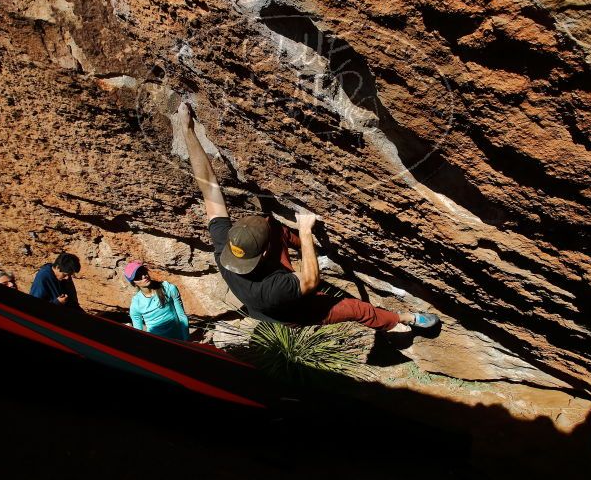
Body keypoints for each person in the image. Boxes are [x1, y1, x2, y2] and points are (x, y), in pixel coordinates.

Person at [176, 101, 439, 331]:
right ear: (265, 253)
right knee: (357, 309)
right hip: (293, 313)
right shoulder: (272, 290)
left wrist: (187, 131)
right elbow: (311, 281)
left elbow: (208, 186)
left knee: (272, 225)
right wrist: (305, 231)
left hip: (271, 278)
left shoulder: (225, 244)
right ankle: (404, 319)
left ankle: (307, 247)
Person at [124, 261, 189, 340]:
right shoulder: (136, 304)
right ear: (134, 283)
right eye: (138, 276)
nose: (143, 276)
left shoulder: (168, 288)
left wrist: (186, 340)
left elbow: (181, 316)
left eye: (143, 272)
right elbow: (138, 332)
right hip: (156, 343)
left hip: (178, 340)